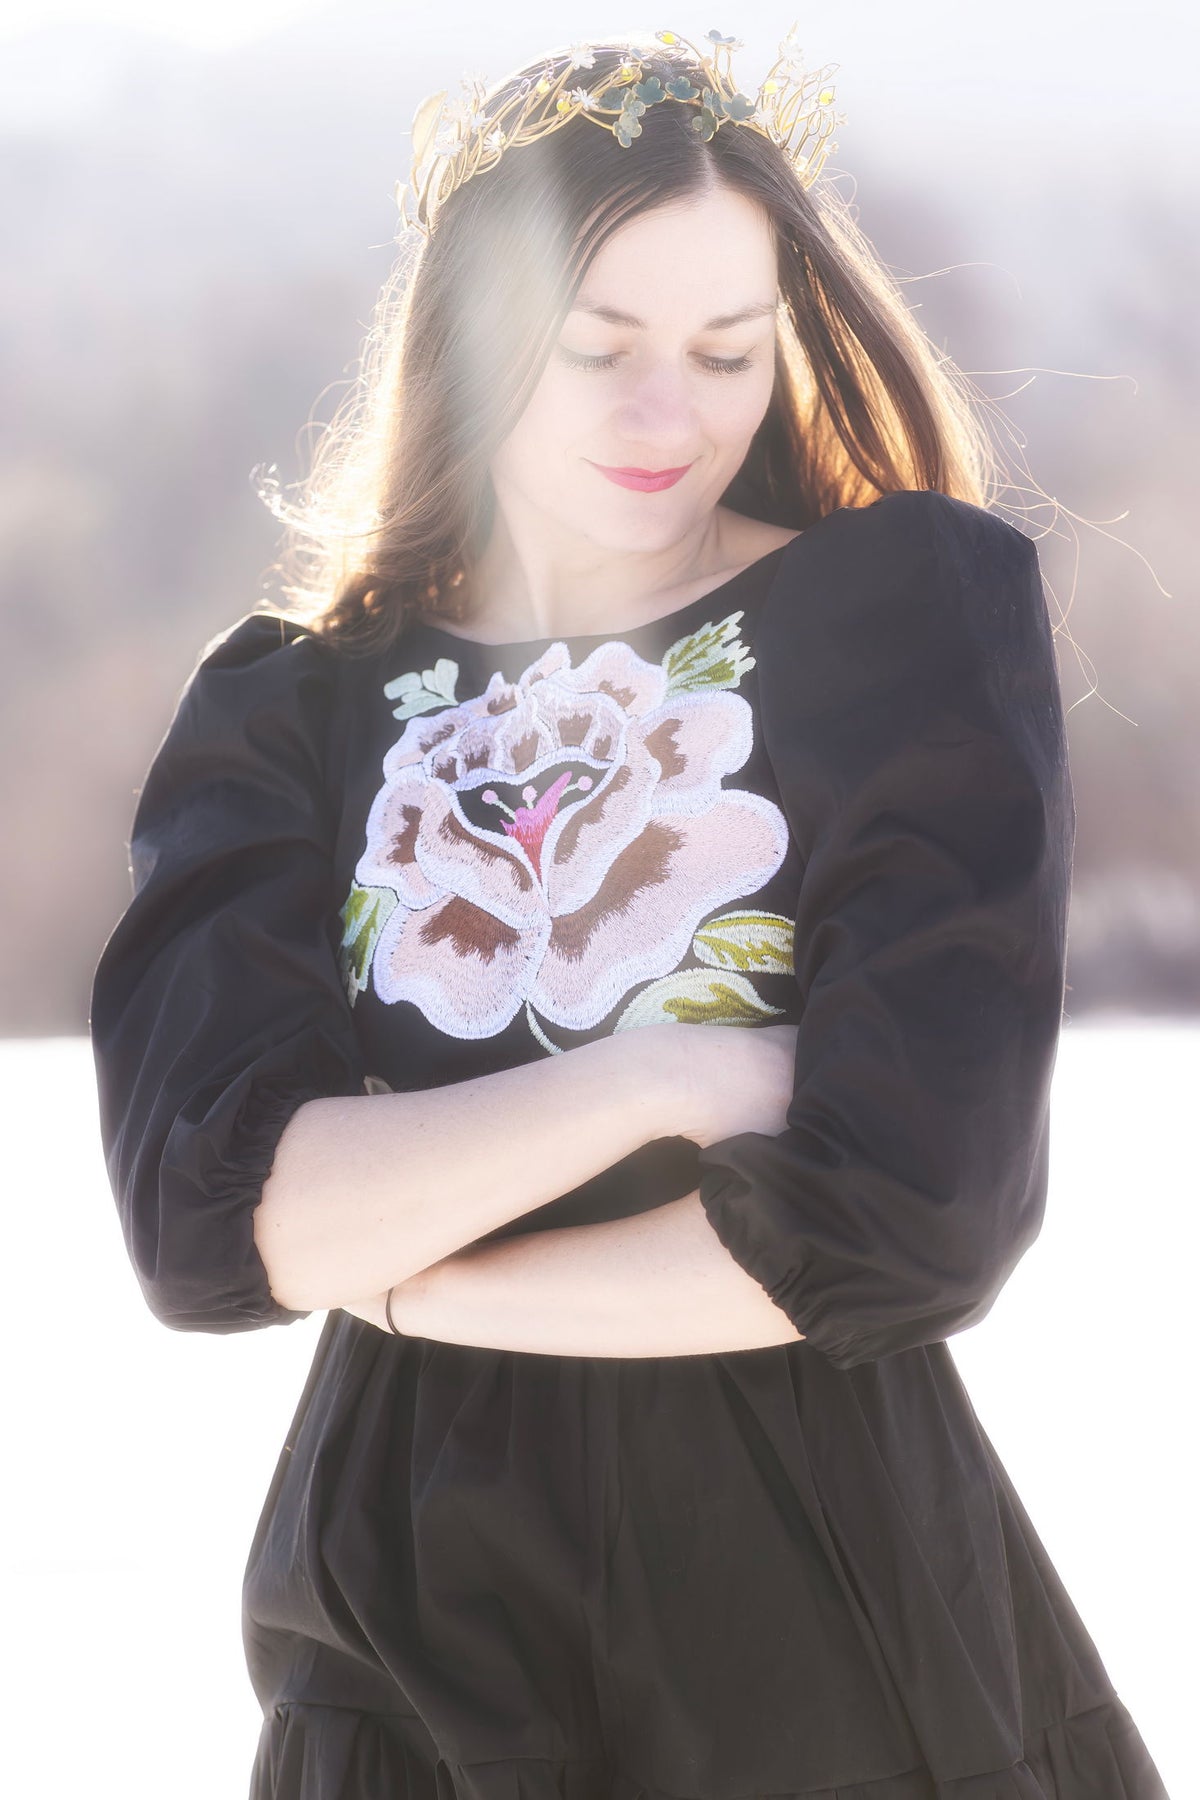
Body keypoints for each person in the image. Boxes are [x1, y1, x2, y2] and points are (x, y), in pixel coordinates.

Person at [88, 27, 1172, 1800]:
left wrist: (413, 1278)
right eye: (600, 349)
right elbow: (218, 1223)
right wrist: (662, 1079)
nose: (673, 416)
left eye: (727, 351)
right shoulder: (292, 709)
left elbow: (910, 1223)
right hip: (410, 1652)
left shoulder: (898, 620)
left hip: (830, 1623)